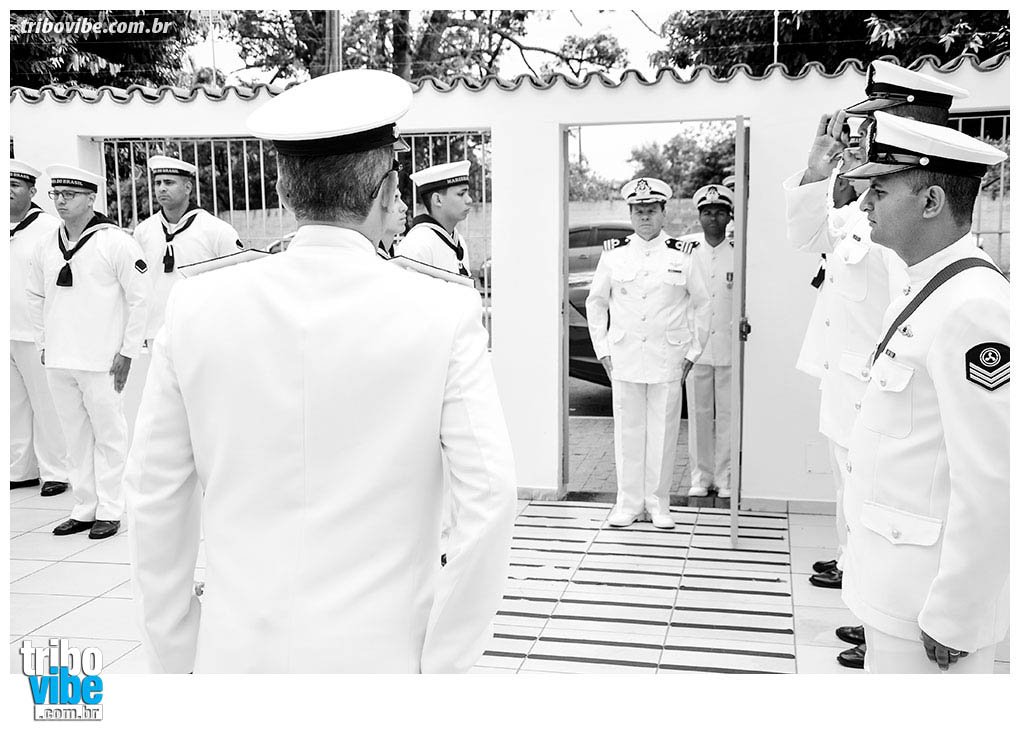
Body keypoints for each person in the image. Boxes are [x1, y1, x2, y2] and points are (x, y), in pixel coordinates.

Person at [124, 69, 517, 674]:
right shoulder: (444, 310)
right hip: (385, 660)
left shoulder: (196, 305)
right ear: (387, 192)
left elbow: (153, 497)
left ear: (284, 192)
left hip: (235, 654)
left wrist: (176, 659)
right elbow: (490, 498)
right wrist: (446, 664)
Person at [783, 60, 968, 668]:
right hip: (850, 386)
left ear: (909, 124)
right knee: (854, 508)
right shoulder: (874, 201)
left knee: (885, 517)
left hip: (883, 394)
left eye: (874, 122)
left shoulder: (914, 218)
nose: (861, 133)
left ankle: (885, 625)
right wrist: (818, 171)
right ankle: (869, 612)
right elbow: (808, 237)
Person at [838, 111, 1008, 674]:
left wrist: (958, 613)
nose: (864, 204)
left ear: (931, 201)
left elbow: (994, 478)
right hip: (894, 583)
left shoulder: (973, 306)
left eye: (880, 191)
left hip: (930, 606)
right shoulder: (924, 286)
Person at [26, 165, 151, 540]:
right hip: (60, 357)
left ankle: (110, 509)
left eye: (70, 195)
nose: (61, 202)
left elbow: (140, 299)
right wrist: (43, 343)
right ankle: (84, 507)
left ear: (91, 198)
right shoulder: (46, 244)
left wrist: (128, 351)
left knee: (109, 436)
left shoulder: (115, 242)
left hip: (101, 358)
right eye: (57, 195)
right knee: (75, 436)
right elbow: (34, 295)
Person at [587, 178, 710, 529]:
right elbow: (596, 303)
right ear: (630, 214)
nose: (645, 217)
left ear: (663, 213)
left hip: (668, 357)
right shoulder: (614, 254)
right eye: (639, 211)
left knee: (663, 433)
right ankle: (627, 504)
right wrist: (603, 350)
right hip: (624, 356)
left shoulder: (682, 254)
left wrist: (693, 352)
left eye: (651, 210)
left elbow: (702, 303)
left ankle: (658, 505)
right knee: (628, 432)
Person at [133, 156, 245, 345]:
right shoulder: (143, 231)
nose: (161, 188)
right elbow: (137, 283)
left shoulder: (216, 230)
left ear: (187, 188)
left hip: (202, 330)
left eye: (169, 182)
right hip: (156, 332)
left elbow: (237, 280)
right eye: (158, 183)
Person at [10, 159, 70, 497]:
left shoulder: (50, 228)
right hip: (7, 331)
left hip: (37, 331)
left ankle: (56, 471)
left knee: (47, 405)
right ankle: (20, 469)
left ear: (32, 191)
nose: (7, 191)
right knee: (12, 406)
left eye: (15, 185)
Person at [683, 184, 735, 500]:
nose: (713, 218)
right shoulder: (688, 255)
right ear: (699, 217)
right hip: (696, 350)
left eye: (719, 212)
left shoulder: (738, 254)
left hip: (729, 348)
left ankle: (724, 477)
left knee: (728, 415)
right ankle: (701, 477)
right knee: (699, 416)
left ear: (729, 216)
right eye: (707, 212)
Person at [396, 160, 473, 277]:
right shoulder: (418, 244)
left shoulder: (458, 241)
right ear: (438, 200)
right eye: (461, 194)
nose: (469, 200)